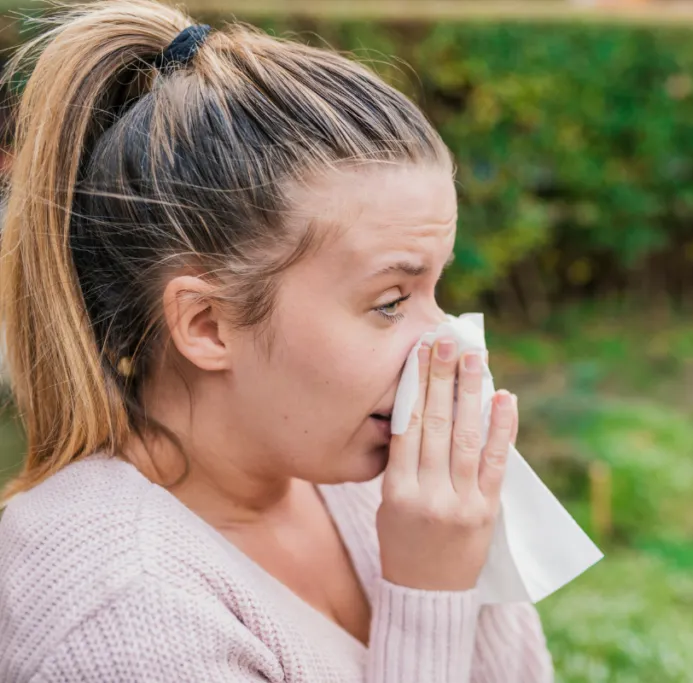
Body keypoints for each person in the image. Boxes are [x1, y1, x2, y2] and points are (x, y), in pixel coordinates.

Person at [0, 2, 554, 681]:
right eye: (389, 302)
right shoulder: (122, 611)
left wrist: (473, 550)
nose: (443, 339)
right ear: (206, 324)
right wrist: (430, 590)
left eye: (436, 287)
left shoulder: (378, 483)